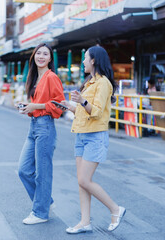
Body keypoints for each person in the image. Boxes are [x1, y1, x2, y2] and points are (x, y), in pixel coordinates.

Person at [59, 46, 125, 233]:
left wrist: (81, 101)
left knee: (84, 180)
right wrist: (70, 106)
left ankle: (115, 209)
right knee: (82, 181)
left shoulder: (103, 83)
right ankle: (85, 222)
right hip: (81, 134)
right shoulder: (89, 82)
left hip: (95, 136)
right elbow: (84, 110)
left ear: (94, 60)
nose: (83, 62)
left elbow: (95, 112)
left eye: (86, 58)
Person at [17, 43, 65, 225]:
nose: (41, 56)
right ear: (34, 56)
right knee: (23, 170)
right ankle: (46, 202)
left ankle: (40, 213)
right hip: (34, 125)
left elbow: (60, 105)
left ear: (50, 59)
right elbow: (37, 105)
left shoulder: (51, 77)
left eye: (46, 54)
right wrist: (27, 108)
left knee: (42, 173)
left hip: (45, 127)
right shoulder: (34, 77)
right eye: (39, 53)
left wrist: (35, 106)